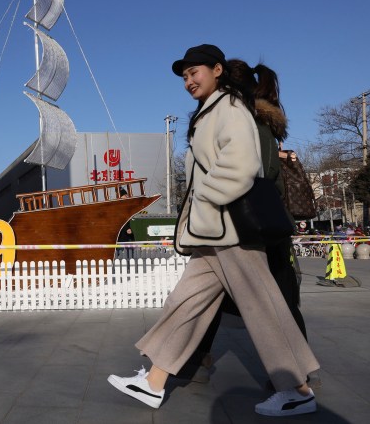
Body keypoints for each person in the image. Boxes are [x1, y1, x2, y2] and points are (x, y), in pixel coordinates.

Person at [107, 44, 319, 417]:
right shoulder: (210, 111)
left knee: (263, 309)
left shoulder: (230, 107)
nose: (189, 81)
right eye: (184, 76)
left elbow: (242, 165)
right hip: (214, 231)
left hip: (230, 229)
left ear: (217, 70)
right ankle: (154, 382)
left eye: (195, 72)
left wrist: (205, 200)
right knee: (185, 302)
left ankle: (297, 389)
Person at [177, 59, 314, 388]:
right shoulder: (255, 120)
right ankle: (296, 376)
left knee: (269, 300)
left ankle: (296, 378)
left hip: (248, 224)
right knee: (257, 296)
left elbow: (257, 175)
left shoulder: (243, 119)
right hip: (258, 223)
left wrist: (209, 193)